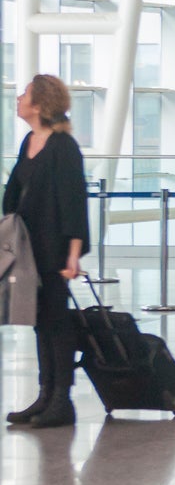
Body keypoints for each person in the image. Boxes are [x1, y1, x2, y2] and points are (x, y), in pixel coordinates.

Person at [3, 76, 91, 430]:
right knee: (40, 321)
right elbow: (14, 193)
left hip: (55, 248)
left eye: (24, 94)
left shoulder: (63, 146)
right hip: (29, 248)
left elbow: (74, 202)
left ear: (38, 105)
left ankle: (61, 399)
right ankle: (45, 394)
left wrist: (74, 254)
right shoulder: (29, 141)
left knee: (56, 320)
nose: (18, 98)